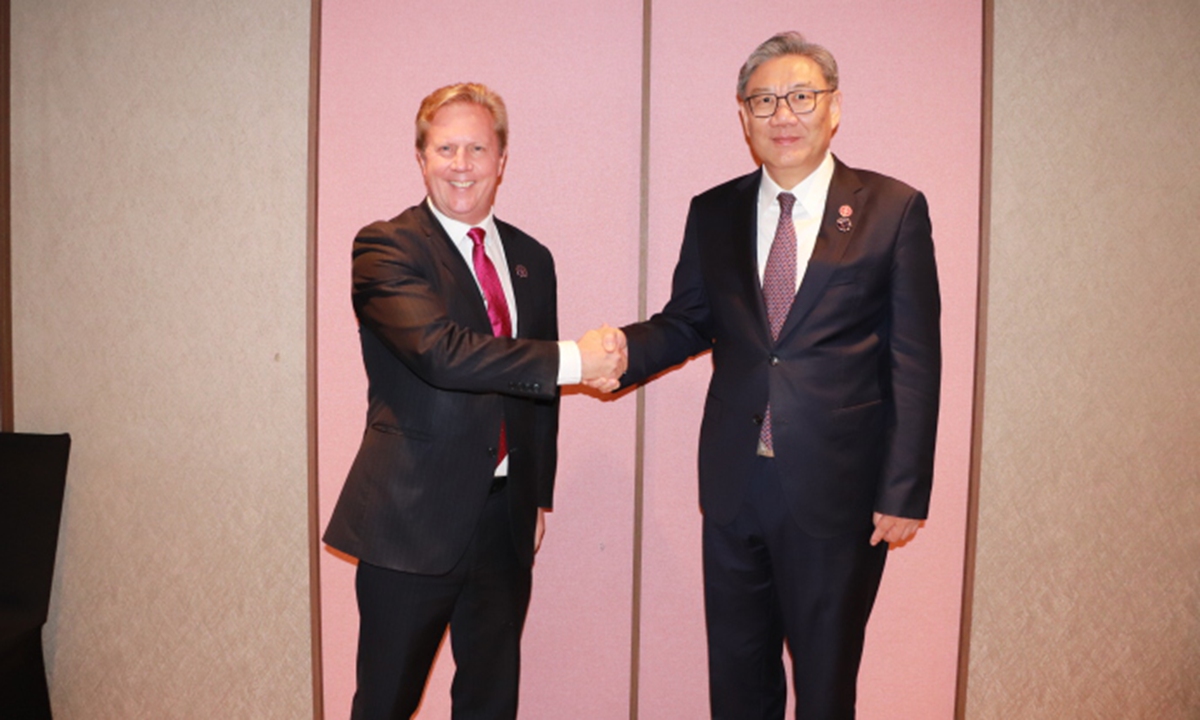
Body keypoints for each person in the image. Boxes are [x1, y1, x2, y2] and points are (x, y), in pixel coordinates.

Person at [595, 32, 942, 719]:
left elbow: (915, 358)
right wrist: (621, 353)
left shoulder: (892, 209)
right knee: (738, 678)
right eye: (764, 101)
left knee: (824, 681)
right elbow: (689, 321)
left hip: (838, 492)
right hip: (734, 483)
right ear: (743, 115)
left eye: (801, 97)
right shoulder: (714, 211)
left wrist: (904, 491)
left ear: (833, 108)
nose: (783, 115)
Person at [323, 82, 624, 720]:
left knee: (490, 698)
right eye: (445, 148)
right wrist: (575, 359)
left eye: (477, 149)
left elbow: (536, 398)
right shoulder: (385, 247)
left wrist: (535, 494)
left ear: (502, 159)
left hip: (503, 521)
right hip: (411, 520)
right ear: (422, 158)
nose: (462, 164)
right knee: (385, 702)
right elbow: (443, 352)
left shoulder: (531, 260)